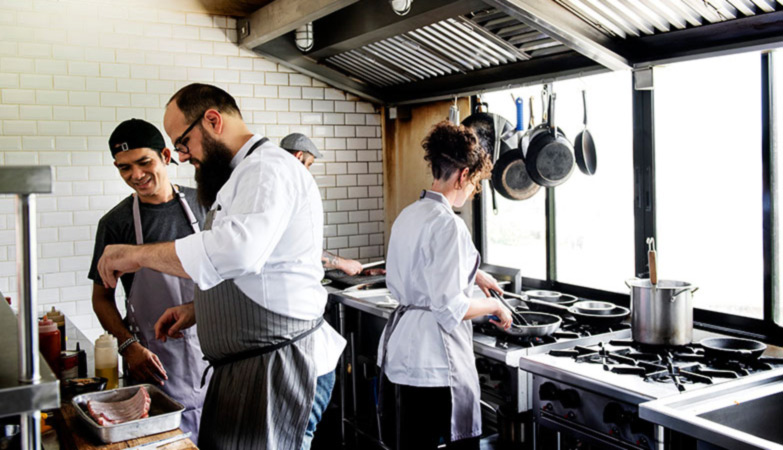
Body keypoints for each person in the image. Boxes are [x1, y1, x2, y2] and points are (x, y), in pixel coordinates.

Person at [96, 83, 345, 450]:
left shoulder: (267, 169)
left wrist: (137, 255)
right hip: (251, 366)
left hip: (279, 364)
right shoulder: (241, 176)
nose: (183, 157)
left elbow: (238, 252)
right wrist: (200, 309)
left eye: (183, 143)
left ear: (212, 120)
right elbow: (255, 272)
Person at [376, 121, 513, 450]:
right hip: (436, 362)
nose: (473, 192)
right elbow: (451, 308)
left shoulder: (410, 214)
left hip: (403, 355)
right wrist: (495, 306)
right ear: (463, 175)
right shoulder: (450, 225)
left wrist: (475, 274)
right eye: (475, 183)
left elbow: (425, 266)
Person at [87, 119, 209, 442]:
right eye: (124, 168)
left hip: (213, 356)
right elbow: (101, 298)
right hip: (155, 365)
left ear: (166, 156)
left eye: (144, 162)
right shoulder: (116, 223)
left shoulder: (205, 204)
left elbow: (230, 276)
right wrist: (129, 347)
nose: (136, 175)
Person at [279, 132, 384, 277]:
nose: (308, 172)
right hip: (290, 281)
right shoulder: (291, 192)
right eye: (309, 164)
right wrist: (343, 263)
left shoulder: (278, 187)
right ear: (298, 156)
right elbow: (302, 249)